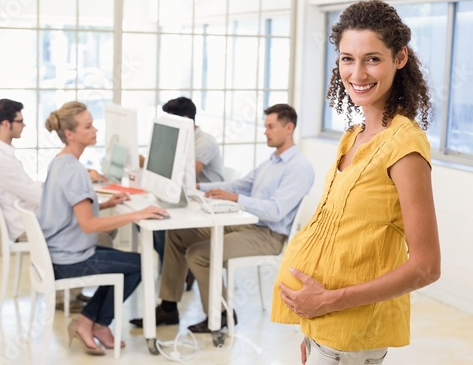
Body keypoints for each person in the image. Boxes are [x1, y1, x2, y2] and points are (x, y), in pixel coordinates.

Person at [271, 0, 441, 365]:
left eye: (372, 59)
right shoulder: (353, 136)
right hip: (323, 330)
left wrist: (328, 301)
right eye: (347, 58)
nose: (357, 73)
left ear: (400, 58)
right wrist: (311, 327)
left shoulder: (404, 145)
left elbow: (427, 266)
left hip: (349, 335)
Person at [129, 103, 315, 332]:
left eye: (270, 126)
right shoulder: (272, 161)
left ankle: (222, 314)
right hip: (245, 224)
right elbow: (238, 185)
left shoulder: (299, 168)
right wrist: (198, 185)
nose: (265, 131)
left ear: (289, 127)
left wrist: (236, 198)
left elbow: (275, 210)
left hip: (268, 235)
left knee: (199, 254)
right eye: (265, 126)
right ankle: (168, 307)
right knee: (177, 234)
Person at [39, 101, 169, 355]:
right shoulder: (75, 171)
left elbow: (73, 211)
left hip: (59, 252)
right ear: (70, 134)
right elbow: (88, 225)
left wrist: (108, 203)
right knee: (140, 265)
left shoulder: (59, 162)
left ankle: (91, 322)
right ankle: (94, 322)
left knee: (130, 264)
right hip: (70, 260)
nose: (95, 130)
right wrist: (137, 214)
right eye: (87, 126)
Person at [0, 98, 111, 312]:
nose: (24, 125)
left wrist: (66, 186)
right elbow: (36, 196)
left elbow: (31, 188)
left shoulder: (4, 154)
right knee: (99, 233)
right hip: (27, 225)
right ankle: (67, 294)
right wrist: (69, 189)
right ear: (6, 124)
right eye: (20, 121)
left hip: (33, 216)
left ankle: (72, 291)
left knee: (95, 227)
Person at [144, 97, 224, 288]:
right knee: (147, 222)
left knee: (164, 226)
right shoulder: (178, 137)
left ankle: (176, 274)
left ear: (186, 120)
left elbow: (187, 173)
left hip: (205, 202)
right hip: (185, 198)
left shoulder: (205, 142)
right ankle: (175, 271)